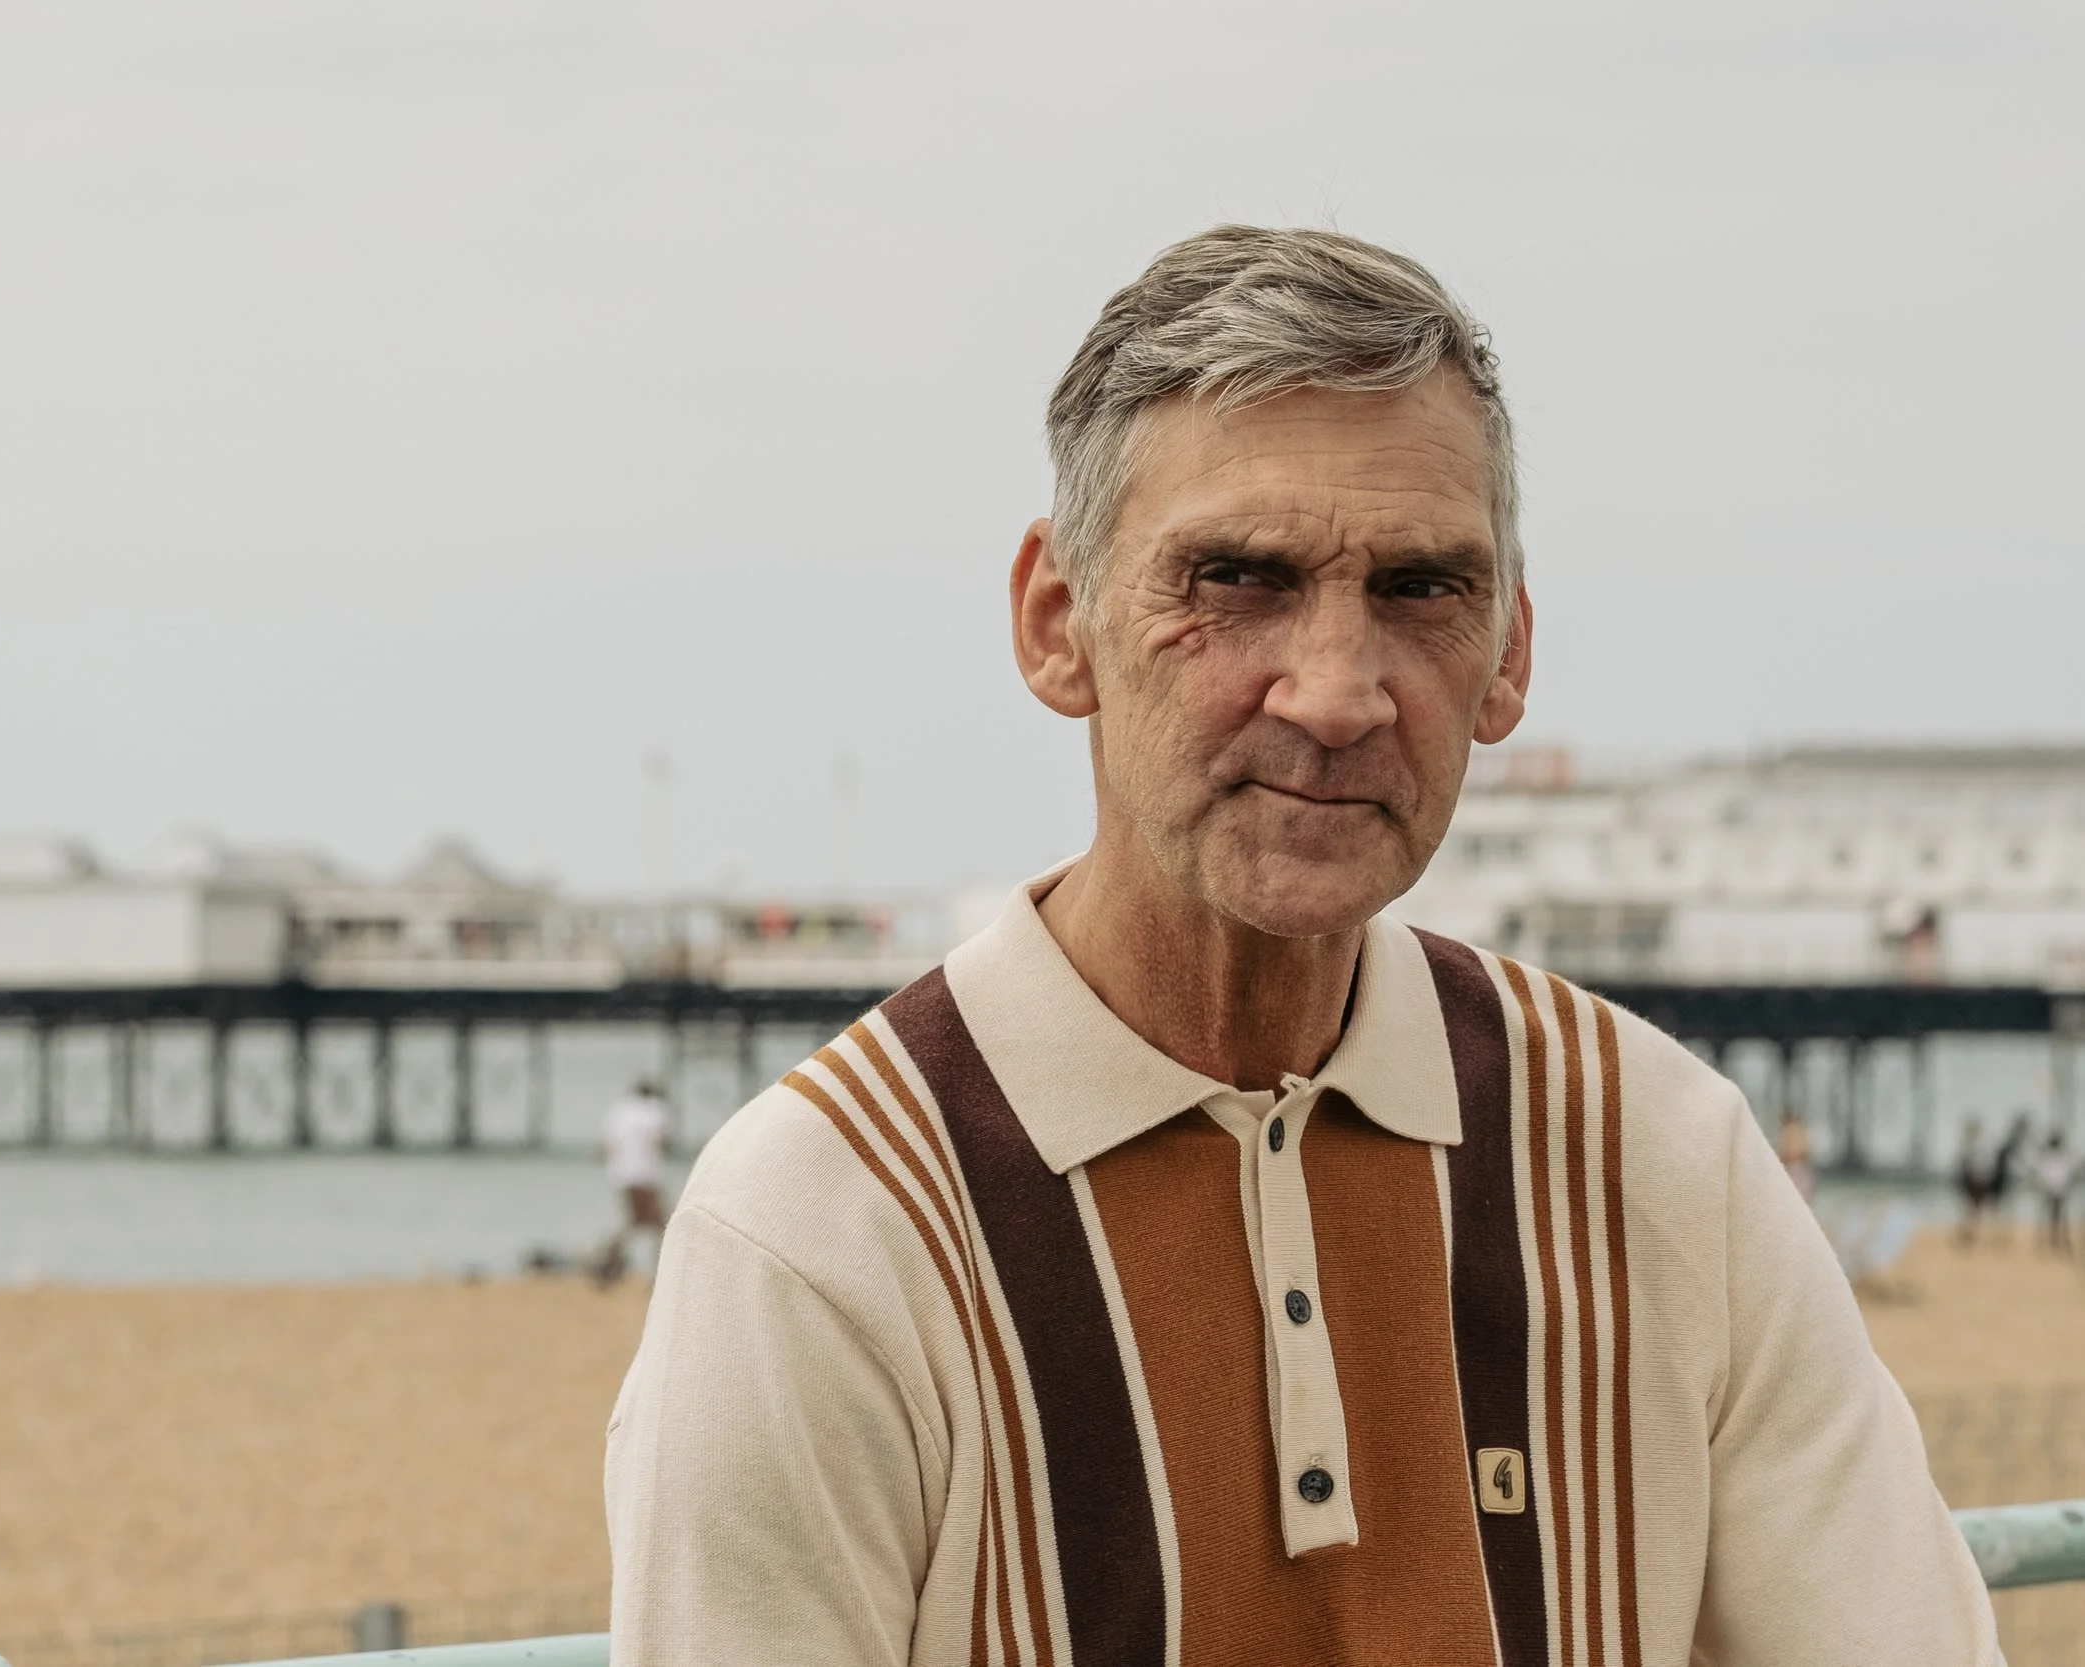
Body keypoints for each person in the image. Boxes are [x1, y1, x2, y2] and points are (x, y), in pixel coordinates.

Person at [606, 226, 1997, 1664]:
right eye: (1237, 578)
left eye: (1420, 589)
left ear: (1507, 654)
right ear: (1055, 620)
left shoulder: (1656, 1158)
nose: (1337, 692)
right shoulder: (832, 1225)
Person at [592, 1078, 672, 1287]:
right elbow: (661, 1142)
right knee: (663, 1225)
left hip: (622, 1175)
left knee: (636, 1222)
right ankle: (660, 1277)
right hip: (646, 1175)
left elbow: (603, 1147)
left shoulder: (619, 1110)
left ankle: (607, 1264)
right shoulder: (655, 1109)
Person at [2037, 1129, 2077, 1256]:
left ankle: (2062, 1242)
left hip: (2059, 1193)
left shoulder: (2063, 1157)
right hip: (2050, 1193)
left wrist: (2060, 1189)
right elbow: (2044, 1175)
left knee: (2061, 1219)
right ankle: (2045, 1243)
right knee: (2048, 1218)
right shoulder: (2047, 1157)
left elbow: (2067, 1174)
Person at [1958, 1117, 1996, 1247]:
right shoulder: (1971, 1146)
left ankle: (1971, 1233)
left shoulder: (1975, 1145)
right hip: (1975, 1181)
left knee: (1974, 1209)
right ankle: (1969, 1233)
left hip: (1978, 1181)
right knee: (1973, 1209)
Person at [1778, 1105, 1816, 1202]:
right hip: (1795, 1166)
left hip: (1795, 1166)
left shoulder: (1793, 1131)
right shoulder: (1795, 1131)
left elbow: (1791, 1152)